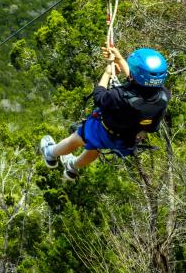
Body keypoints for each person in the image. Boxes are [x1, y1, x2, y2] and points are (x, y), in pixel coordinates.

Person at [39, 46, 169, 180]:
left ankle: (50, 153)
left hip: (102, 130)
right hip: (126, 139)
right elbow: (137, 80)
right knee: (96, 148)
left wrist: (107, 73)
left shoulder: (119, 96)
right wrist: (118, 58)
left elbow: (99, 96)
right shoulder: (163, 96)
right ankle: (73, 167)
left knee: (76, 140)